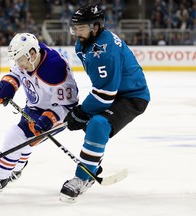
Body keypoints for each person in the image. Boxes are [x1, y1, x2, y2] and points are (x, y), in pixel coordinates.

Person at [59, 4, 150, 202]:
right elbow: (105, 88)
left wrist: (81, 112)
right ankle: (92, 163)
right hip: (114, 90)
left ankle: (83, 178)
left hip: (132, 96)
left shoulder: (105, 50)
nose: (76, 32)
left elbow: (106, 94)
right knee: (91, 125)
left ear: (96, 26)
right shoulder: (84, 42)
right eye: (75, 28)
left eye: (81, 28)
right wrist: (81, 113)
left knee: (98, 124)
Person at [0, 33, 79, 193]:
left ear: (31, 54)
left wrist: (49, 118)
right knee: (25, 139)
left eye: (20, 60)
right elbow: (17, 73)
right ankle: (16, 168)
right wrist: (8, 84)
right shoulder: (28, 56)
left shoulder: (55, 69)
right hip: (34, 106)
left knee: (15, 135)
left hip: (58, 113)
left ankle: (0, 178)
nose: (18, 64)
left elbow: (68, 105)